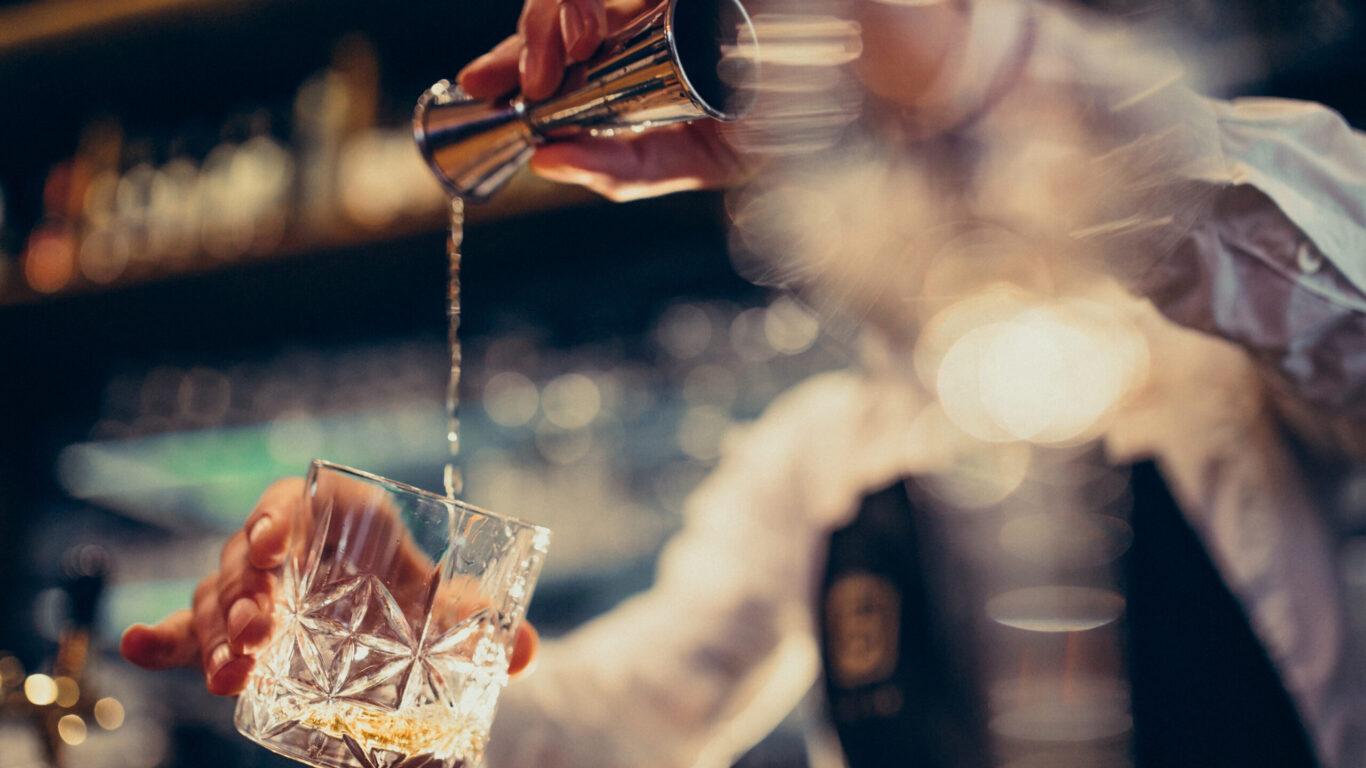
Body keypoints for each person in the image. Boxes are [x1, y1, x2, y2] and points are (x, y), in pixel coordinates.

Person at [121, 0, 1366, 765]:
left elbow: (1325, 272)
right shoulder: (818, 459)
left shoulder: (1243, 364)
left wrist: (947, 62)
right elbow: (624, 727)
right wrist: (411, 669)